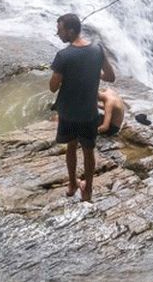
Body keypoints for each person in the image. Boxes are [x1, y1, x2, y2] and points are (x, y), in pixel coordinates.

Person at [49, 13, 115, 202]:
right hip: (88, 113)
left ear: (70, 30)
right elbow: (110, 77)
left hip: (68, 113)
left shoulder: (63, 56)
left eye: (59, 30)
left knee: (71, 147)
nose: (58, 33)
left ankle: (71, 185)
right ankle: (88, 191)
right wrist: (94, 73)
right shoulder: (97, 50)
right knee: (88, 150)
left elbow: (53, 87)